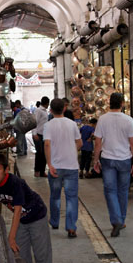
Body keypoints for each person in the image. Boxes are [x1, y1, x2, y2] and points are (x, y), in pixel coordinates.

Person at [93, 92, 133, 237]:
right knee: (123, 191)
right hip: (124, 159)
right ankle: (121, 220)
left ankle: (116, 220)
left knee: (110, 190)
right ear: (122, 104)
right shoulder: (128, 120)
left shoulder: (102, 119)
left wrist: (96, 159)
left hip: (107, 159)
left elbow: (98, 143)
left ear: (109, 103)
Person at [43, 98, 82, 238]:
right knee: (71, 197)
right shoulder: (72, 124)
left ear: (51, 110)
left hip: (56, 167)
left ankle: (54, 221)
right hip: (71, 165)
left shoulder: (48, 125)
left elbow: (47, 144)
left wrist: (49, 164)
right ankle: (71, 227)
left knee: (55, 195)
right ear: (64, 109)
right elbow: (80, 143)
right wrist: (71, 150)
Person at [33, 96, 50, 177]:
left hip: (44, 135)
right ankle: (37, 171)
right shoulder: (38, 111)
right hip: (38, 135)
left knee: (44, 154)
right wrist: (34, 133)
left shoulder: (45, 111)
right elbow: (34, 122)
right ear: (47, 103)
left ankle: (42, 171)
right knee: (39, 154)